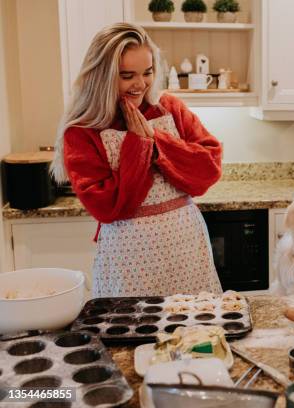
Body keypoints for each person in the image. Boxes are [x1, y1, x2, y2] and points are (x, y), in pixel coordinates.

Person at [50, 23, 223, 297]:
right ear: (101, 77)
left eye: (148, 72)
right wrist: (138, 145)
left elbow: (208, 170)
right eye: (127, 75)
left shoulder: (170, 108)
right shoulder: (82, 131)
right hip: (127, 256)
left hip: (186, 246)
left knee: (195, 331)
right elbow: (109, 207)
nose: (141, 84)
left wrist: (155, 140)